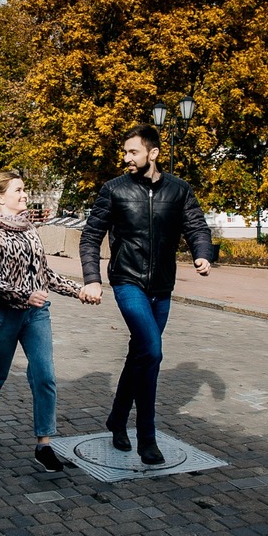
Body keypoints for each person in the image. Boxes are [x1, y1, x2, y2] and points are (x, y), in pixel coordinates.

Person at [79, 124, 214, 465]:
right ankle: (147, 437)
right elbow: (91, 236)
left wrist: (202, 253)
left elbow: (196, 225)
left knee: (140, 353)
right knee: (152, 351)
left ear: (153, 153)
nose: (126, 158)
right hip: (127, 281)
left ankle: (116, 419)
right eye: (125, 152)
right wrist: (92, 279)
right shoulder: (114, 190)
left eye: (133, 152)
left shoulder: (179, 190)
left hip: (162, 286)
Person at [0, 170, 94, 473]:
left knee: (44, 375)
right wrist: (24, 294)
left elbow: (45, 274)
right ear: (0, 198)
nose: (25, 194)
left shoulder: (29, 229)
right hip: (1, 315)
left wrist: (77, 290)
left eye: (24, 189)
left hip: (35, 314)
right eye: (18, 190)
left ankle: (44, 444)